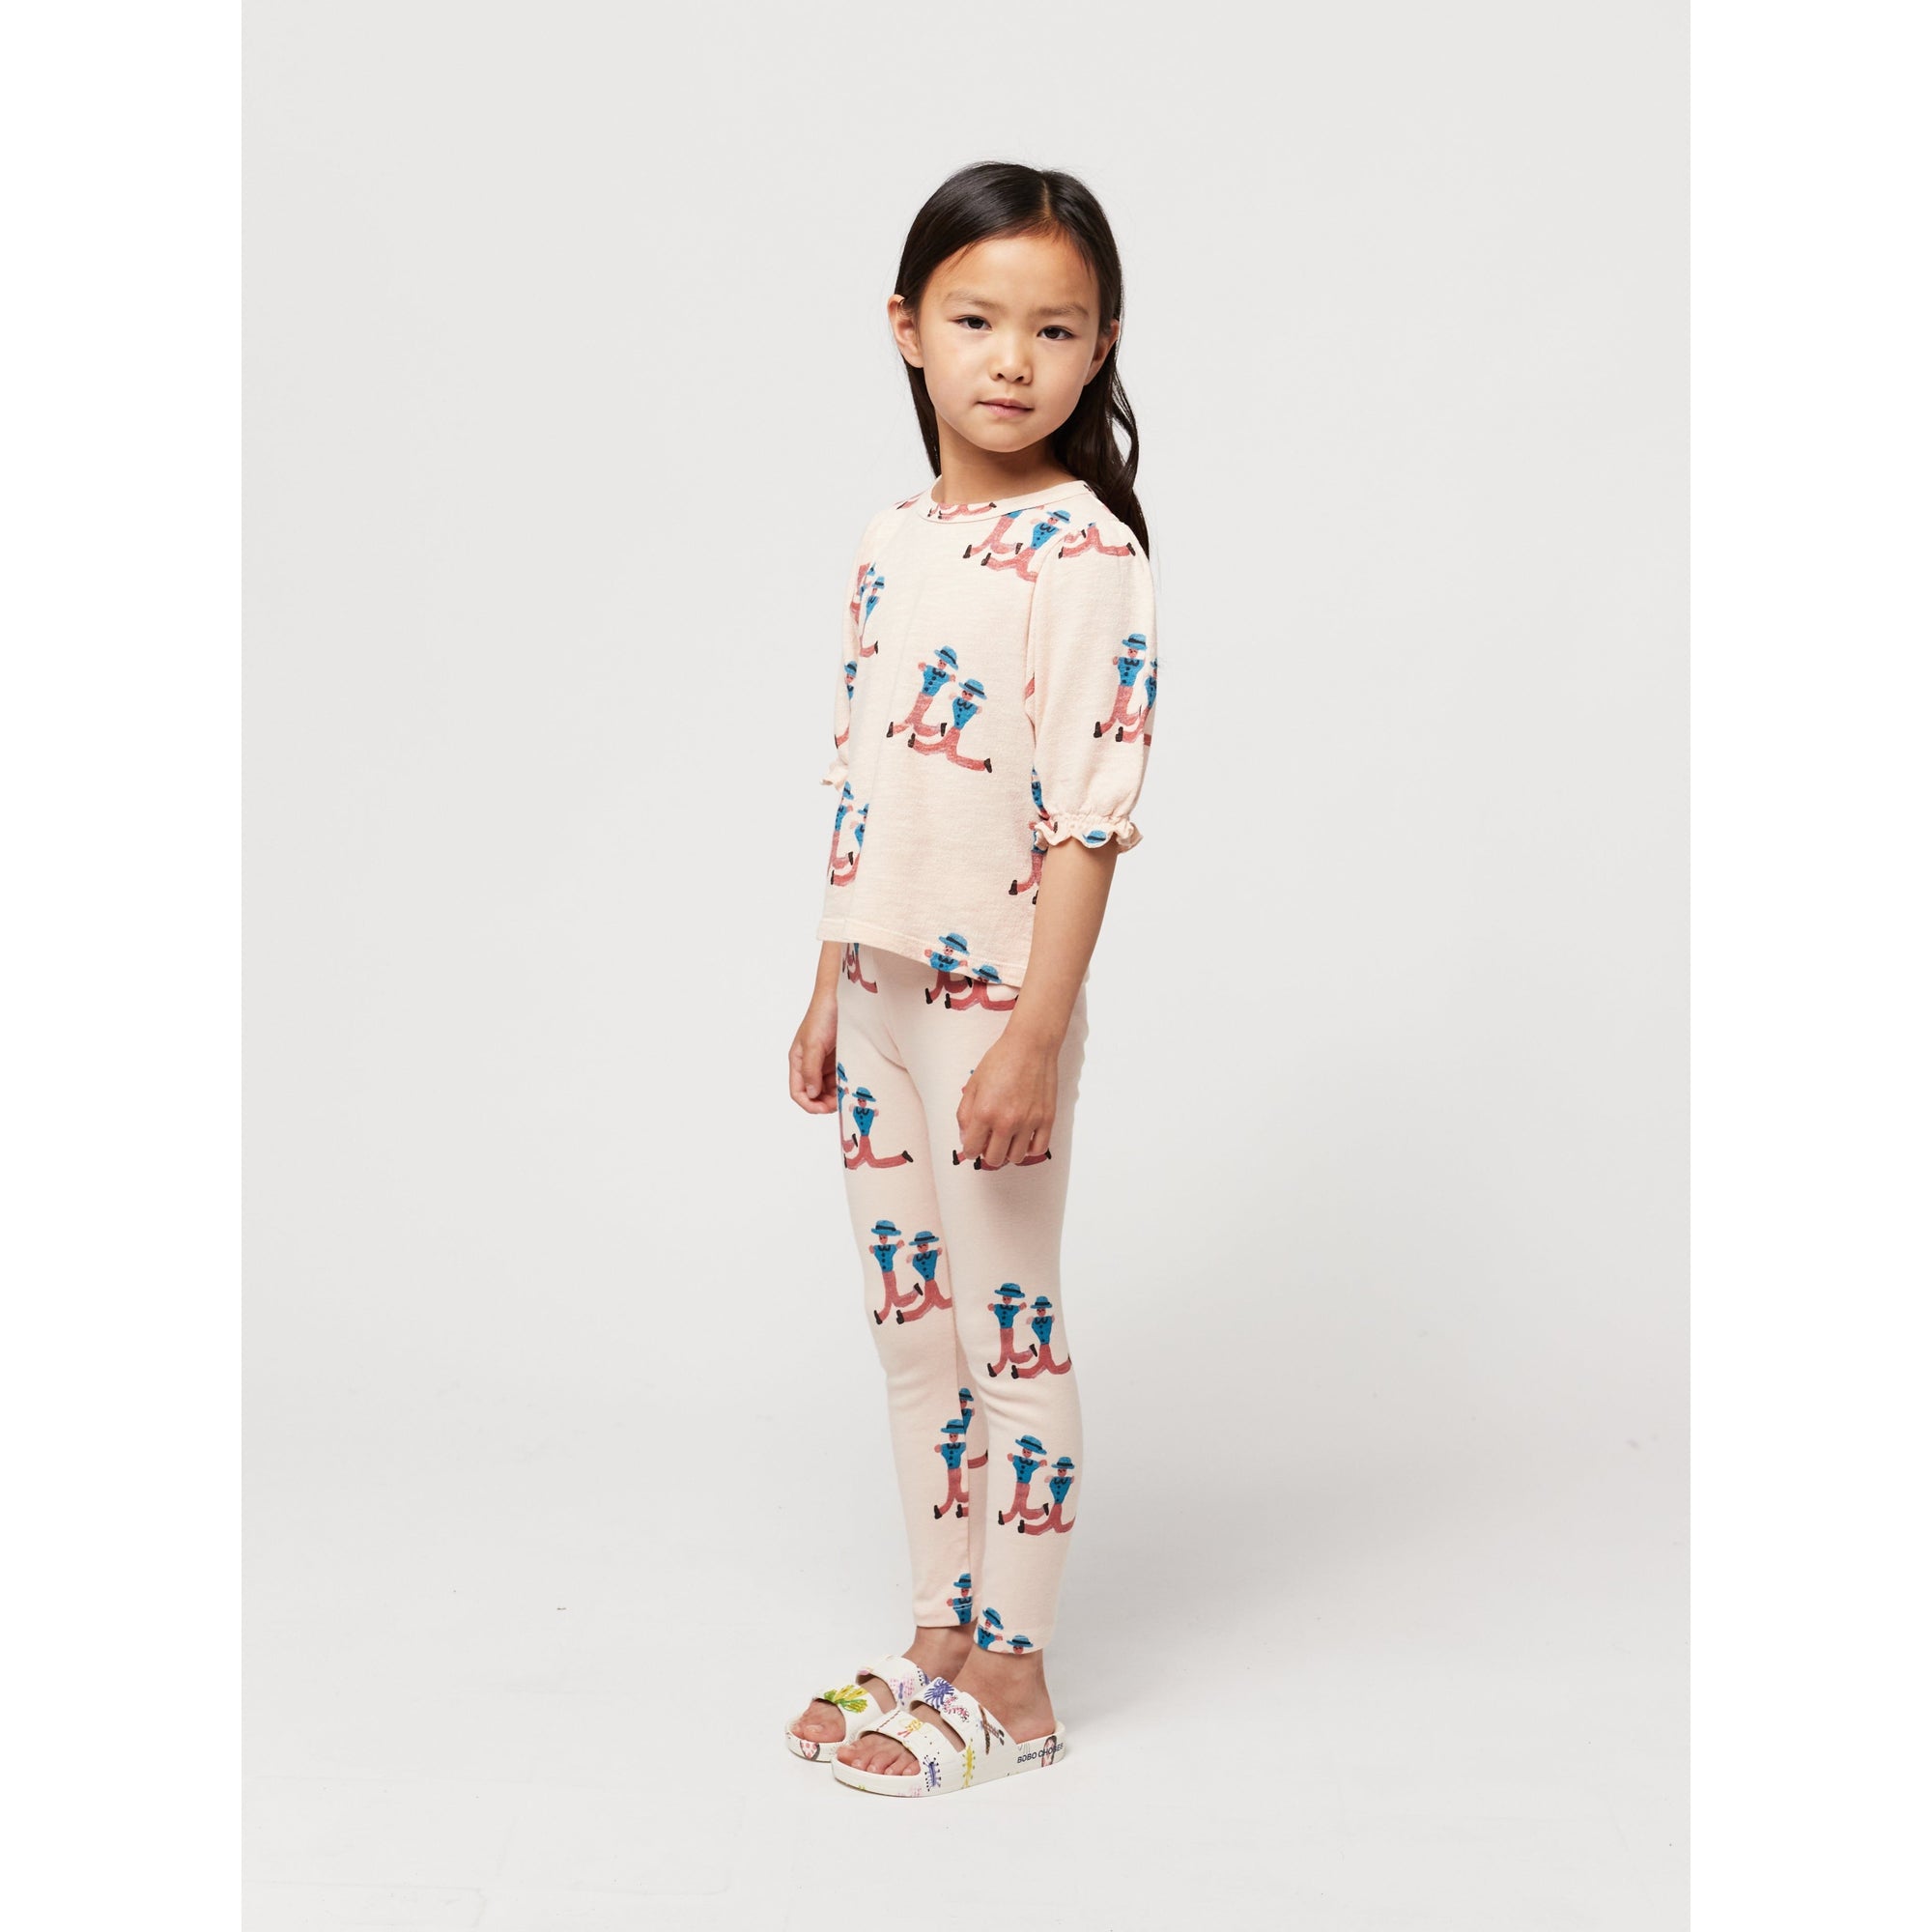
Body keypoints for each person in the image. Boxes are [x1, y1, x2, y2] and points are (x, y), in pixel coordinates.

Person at [782, 160, 1161, 1800]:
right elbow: (864, 771)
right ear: (908, 328)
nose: (1013, 358)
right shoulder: (893, 539)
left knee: (1010, 1339)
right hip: (877, 993)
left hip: (991, 1008)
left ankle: (1016, 1675)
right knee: (912, 1337)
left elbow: (1090, 816)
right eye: (977, 319)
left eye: (1054, 329)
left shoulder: (1084, 556)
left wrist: (1033, 1037)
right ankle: (940, 1637)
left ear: (1101, 349)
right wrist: (826, 978)